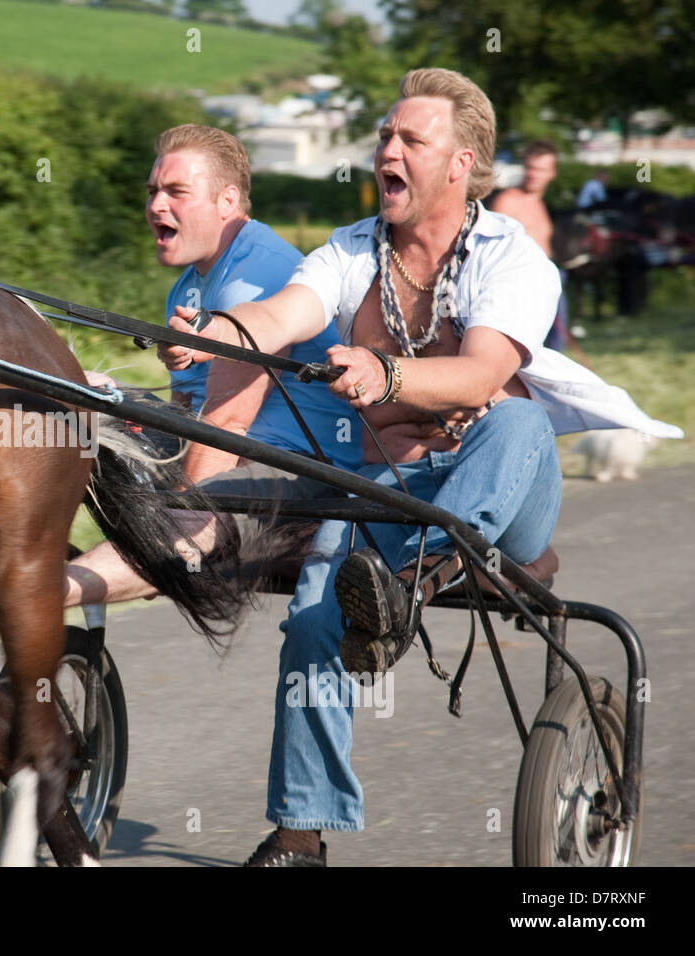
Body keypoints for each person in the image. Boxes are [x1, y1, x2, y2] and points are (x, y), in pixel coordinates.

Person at [162, 68, 680, 867]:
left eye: (410, 139)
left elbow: (478, 376)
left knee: (512, 418)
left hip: (504, 498)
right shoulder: (348, 252)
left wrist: (387, 374)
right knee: (312, 616)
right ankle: (301, 834)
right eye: (383, 137)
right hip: (387, 495)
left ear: (461, 163)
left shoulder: (513, 257)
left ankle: (412, 583)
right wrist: (231, 331)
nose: (386, 152)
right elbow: (285, 312)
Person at [64, 124, 361, 607]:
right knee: (74, 395)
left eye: (176, 192)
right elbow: (185, 411)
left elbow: (227, 421)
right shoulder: (186, 288)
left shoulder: (255, 275)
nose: (156, 205)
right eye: (153, 191)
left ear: (227, 201)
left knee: (172, 515)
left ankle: (35, 590)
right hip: (233, 453)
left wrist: (175, 525)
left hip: (302, 474)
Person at [490, 141, 571, 349]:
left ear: (552, 173)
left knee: (555, 343)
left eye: (541, 169)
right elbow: (496, 250)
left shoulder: (540, 206)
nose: (534, 174)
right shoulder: (508, 201)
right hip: (522, 283)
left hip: (550, 278)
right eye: (530, 168)